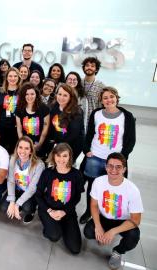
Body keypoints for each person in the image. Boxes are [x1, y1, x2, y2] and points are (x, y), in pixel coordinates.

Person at [80, 87, 136, 225]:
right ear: (101, 101)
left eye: (111, 96)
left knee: (112, 189)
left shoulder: (127, 116)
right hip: (95, 157)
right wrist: (86, 150)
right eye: (105, 98)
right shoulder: (96, 114)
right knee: (93, 187)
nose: (109, 100)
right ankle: (89, 211)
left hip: (114, 161)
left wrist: (123, 157)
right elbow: (90, 134)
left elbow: (131, 140)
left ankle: (106, 216)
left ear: (116, 97)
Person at [84, 153, 143, 270]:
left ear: (124, 169)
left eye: (118, 167)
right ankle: (102, 234)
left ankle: (118, 251)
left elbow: (136, 220)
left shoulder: (132, 190)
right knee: (88, 232)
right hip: (104, 218)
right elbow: (94, 205)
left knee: (133, 237)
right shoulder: (98, 182)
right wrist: (98, 226)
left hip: (123, 221)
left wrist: (112, 231)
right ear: (106, 167)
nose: (113, 170)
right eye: (110, 166)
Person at [35, 143, 84, 254]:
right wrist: (50, 211)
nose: (61, 159)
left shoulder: (77, 175)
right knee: (54, 236)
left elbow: (77, 197)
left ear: (70, 156)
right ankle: (50, 227)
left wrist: (64, 212)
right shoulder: (47, 173)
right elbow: (38, 195)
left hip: (67, 212)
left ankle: (60, 224)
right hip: (48, 210)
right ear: (54, 156)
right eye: (58, 155)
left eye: (65, 156)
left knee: (75, 249)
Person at [6, 136, 45, 223]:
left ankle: (32, 211)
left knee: (27, 208)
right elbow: (11, 181)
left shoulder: (39, 165)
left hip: (30, 192)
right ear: (16, 148)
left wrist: (17, 204)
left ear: (31, 151)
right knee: (4, 206)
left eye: (26, 148)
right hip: (18, 189)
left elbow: (32, 188)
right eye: (20, 147)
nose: (22, 151)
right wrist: (12, 201)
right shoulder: (12, 159)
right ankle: (18, 203)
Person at [46, 83, 84, 161]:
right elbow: (51, 128)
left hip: (71, 147)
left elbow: (73, 134)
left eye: (65, 95)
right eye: (59, 94)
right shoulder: (54, 107)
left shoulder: (76, 111)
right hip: (57, 144)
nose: (61, 97)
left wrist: (58, 147)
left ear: (70, 97)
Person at [15, 82, 50, 156]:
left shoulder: (44, 108)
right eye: (26, 94)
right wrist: (23, 145)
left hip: (40, 144)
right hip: (25, 145)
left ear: (36, 95)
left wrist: (39, 145)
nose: (29, 96)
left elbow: (45, 129)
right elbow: (19, 129)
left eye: (32, 94)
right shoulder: (19, 109)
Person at [0, 67, 21, 153]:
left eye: (15, 76)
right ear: (7, 77)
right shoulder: (0, 91)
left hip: (16, 128)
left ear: (19, 77)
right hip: (2, 126)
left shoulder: (22, 91)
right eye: (10, 76)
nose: (13, 78)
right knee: (0, 151)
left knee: (14, 151)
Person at [82, 57, 104, 121]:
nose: (89, 67)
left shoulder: (101, 86)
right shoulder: (78, 83)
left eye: (92, 66)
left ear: (96, 69)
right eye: (87, 65)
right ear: (84, 68)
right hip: (79, 120)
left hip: (94, 120)